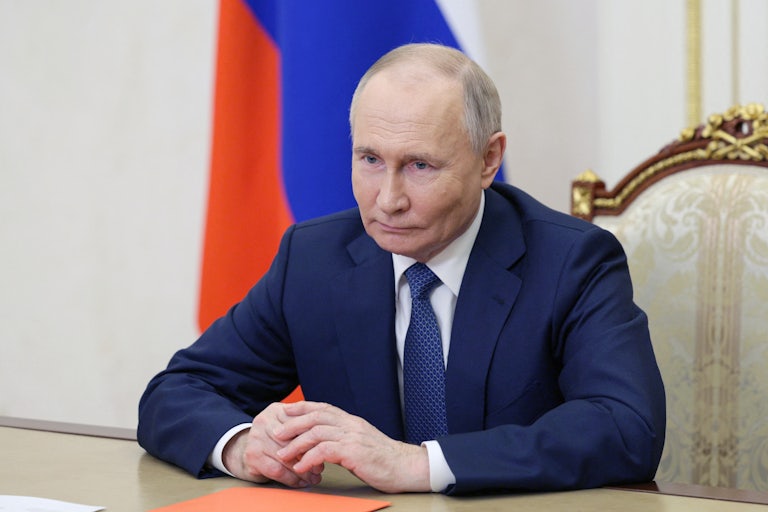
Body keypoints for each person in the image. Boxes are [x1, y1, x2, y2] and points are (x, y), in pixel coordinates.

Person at [138, 42, 665, 495]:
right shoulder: (314, 258)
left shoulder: (571, 260)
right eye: (370, 160)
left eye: (420, 166)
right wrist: (246, 446)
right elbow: (175, 393)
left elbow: (626, 427)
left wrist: (419, 464)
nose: (387, 200)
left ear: (488, 159)